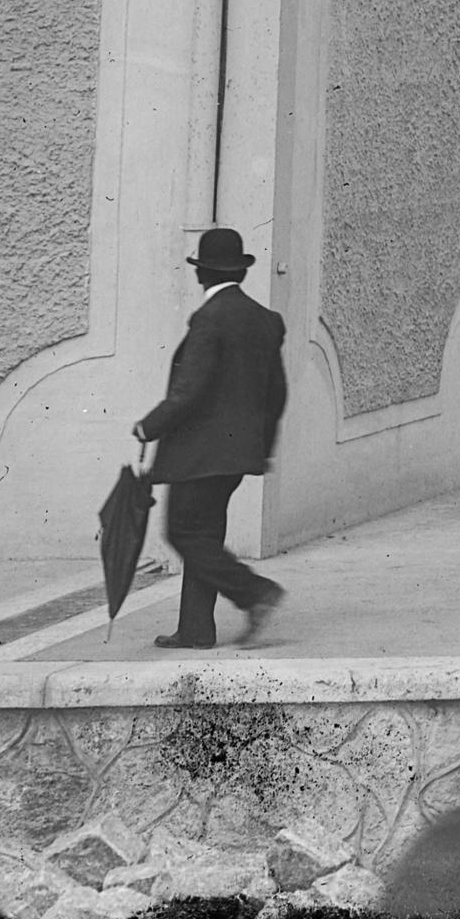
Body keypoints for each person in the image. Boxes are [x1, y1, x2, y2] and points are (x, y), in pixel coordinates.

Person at [132, 224, 288, 648]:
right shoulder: (264, 320)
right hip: (237, 454)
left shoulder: (209, 319)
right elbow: (277, 393)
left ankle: (255, 593)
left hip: (200, 455)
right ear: (240, 272)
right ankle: (197, 629)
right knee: (204, 535)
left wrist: (149, 425)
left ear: (201, 274)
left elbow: (189, 391)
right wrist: (261, 447)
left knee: (183, 534)